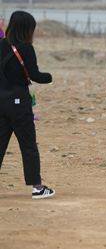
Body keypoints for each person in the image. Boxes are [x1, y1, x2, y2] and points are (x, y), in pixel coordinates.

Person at [0, 11, 55, 199]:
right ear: (27, 29)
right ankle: (38, 187)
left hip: (1, 101)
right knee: (28, 145)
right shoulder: (26, 48)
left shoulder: (1, 45)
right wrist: (50, 77)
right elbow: (35, 76)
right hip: (18, 103)